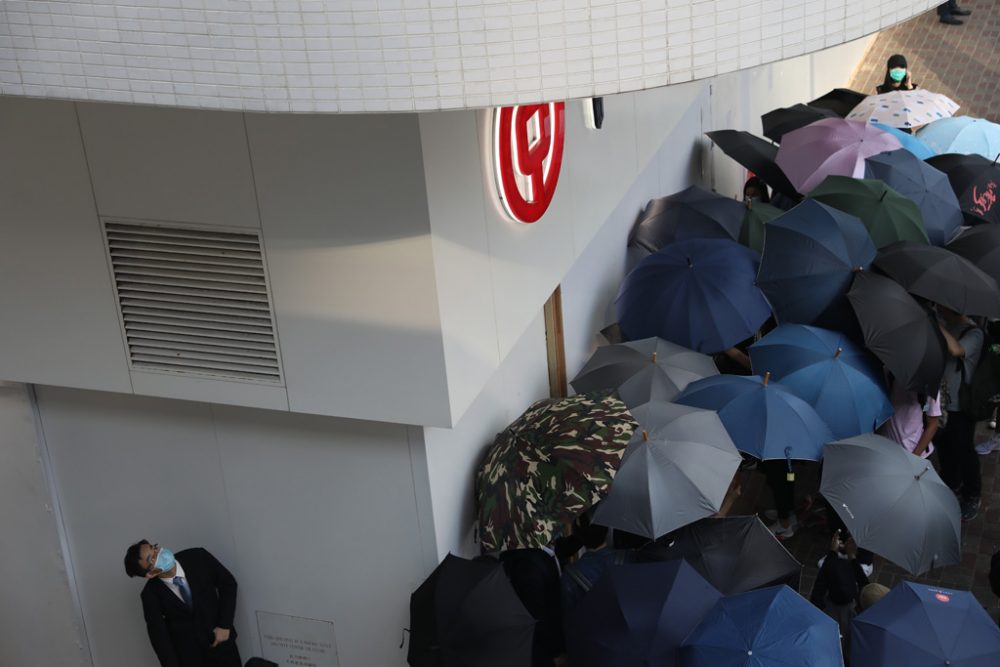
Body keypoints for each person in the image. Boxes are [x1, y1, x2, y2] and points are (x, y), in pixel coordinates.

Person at [124, 540, 241, 667]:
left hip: (222, 646)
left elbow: (228, 583)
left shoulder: (198, 557)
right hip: (191, 659)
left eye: (153, 547)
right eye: (151, 558)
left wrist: (225, 624)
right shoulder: (150, 595)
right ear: (150, 573)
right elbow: (160, 638)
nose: (158, 552)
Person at [937, 305, 985, 520]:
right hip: (943, 402)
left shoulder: (973, 332)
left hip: (961, 404)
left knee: (964, 449)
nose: (938, 308)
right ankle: (951, 485)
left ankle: (972, 494)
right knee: (945, 447)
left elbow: (956, 350)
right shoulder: (948, 324)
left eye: (941, 306)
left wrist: (936, 325)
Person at [810, 531, 870, 655]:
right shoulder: (861, 611)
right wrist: (852, 557)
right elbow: (866, 587)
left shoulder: (820, 609)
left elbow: (819, 587)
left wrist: (832, 553)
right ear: (855, 587)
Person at [881, 373, 941, 459]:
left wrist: (914, 457)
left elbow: (933, 424)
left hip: (915, 454)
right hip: (889, 451)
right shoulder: (890, 374)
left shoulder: (929, 384)